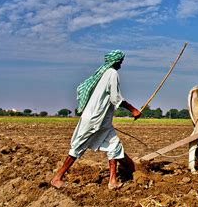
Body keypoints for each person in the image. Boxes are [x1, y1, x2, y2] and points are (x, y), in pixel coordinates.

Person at [50, 50, 141, 190]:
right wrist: (133, 109)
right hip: (93, 120)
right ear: (116, 61)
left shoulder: (102, 74)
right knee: (78, 147)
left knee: (114, 146)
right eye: (121, 62)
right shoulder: (112, 73)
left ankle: (113, 181)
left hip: (102, 121)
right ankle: (57, 177)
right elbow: (115, 98)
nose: (121, 65)